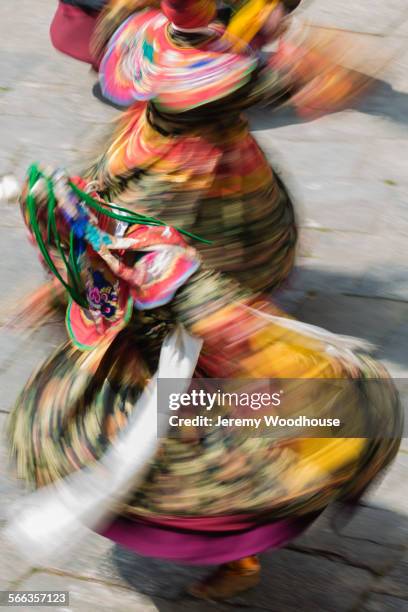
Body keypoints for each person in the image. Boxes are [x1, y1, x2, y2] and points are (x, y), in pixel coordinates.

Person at [8, 0, 401, 601]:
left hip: (194, 291)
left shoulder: (150, 164)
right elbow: (109, 218)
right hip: (172, 294)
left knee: (223, 412)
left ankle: (237, 540)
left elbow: (170, 270)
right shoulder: (141, 152)